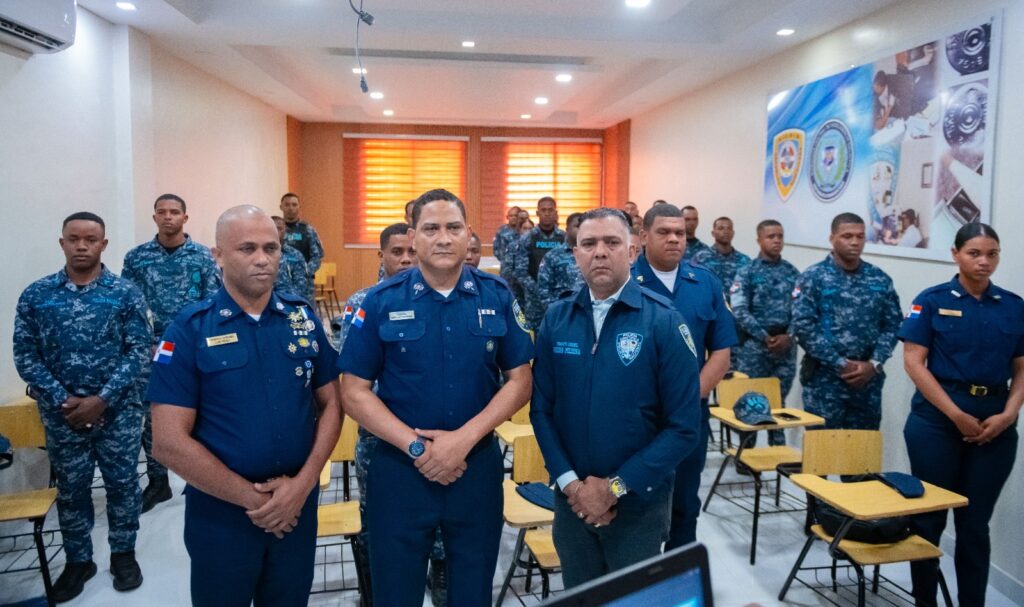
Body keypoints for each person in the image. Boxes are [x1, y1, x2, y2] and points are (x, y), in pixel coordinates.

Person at [338, 189, 533, 606]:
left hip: (474, 467)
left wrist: (462, 440)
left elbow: (520, 381)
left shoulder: (497, 296)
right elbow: (353, 392)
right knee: (395, 593)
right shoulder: (380, 302)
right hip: (399, 470)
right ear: (413, 237)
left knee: (472, 592)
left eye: (453, 228)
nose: (443, 238)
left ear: (468, 235)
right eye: (431, 228)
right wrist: (417, 447)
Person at [148, 206, 342, 607]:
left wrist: (302, 486)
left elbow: (332, 406)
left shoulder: (301, 319)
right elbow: (167, 442)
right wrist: (258, 502)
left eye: (271, 248)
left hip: (296, 504)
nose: (262, 259)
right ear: (218, 255)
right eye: (247, 248)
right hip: (222, 512)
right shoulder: (190, 329)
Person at [531, 208, 701, 587]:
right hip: (571, 501)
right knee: (580, 595)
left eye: (611, 242)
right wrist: (572, 486)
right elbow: (541, 410)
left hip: (638, 504)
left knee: (630, 598)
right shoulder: (556, 319)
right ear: (576, 254)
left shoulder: (664, 321)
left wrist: (614, 488)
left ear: (632, 251)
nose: (600, 252)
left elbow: (684, 428)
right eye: (589, 244)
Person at [14, 212, 151, 601]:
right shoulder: (37, 295)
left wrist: (102, 398)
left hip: (117, 413)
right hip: (63, 416)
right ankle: (79, 560)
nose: (81, 246)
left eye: (90, 239)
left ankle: (123, 554)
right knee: (72, 490)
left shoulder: (125, 293)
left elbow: (139, 350)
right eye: (73, 239)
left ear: (103, 244)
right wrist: (62, 398)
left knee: (122, 485)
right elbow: (25, 355)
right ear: (62, 243)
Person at [899, 223, 1022, 607]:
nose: (984, 261)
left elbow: (1021, 368)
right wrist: (955, 414)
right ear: (955, 254)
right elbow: (914, 362)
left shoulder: (1013, 306)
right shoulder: (931, 301)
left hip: (995, 425)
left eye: (992, 254)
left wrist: (1009, 414)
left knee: (975, 525)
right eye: (974, 253)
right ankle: (925, 601)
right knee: (929, 519)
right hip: (937, 423)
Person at [631, 204, 736, 549]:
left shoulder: (705, 283)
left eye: (679, 233)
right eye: (664, 232)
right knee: (635, 507)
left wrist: (687, 399)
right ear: (644, 236)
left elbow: (721, 353)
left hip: (689, 415)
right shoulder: (624, 281)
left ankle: (678, 578)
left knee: (685, 505)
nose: (674, 239)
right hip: (636, 417)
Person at [121, 193, 221, 513]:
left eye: (174, 212)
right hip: (151, 349)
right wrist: (145, 342)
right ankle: (158, 480)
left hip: (192, 348)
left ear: (185, 218)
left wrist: (197, 343)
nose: (168, 217)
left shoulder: (202, 256)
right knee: (154, 416)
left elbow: (212, 303)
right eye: (161, 212)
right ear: (154, 218)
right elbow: (129, 306)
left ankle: (202, 478)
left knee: (202, 412)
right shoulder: (137, 258)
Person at [792, 213, 902, 429]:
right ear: (832, 238)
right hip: (825, 381)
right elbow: (803, 327)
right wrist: (840, 363)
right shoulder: (813, 277)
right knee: (823, 447)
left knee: (863, 448)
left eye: (860, 236)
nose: (854, 242)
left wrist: (874, 363)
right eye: (847, 236)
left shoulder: (879, 279)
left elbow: (893, 324)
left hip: (867, 383)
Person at [729, 220, 800, 446]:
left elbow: (803, 309)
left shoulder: (792, 272)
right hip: (755, 347)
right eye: (771, 236)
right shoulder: (747, 272)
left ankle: (777, 449)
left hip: (785, 347)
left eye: (780, 236)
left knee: (779, 400)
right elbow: (739, 310)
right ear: (759, 240)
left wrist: (790, 336)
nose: (776, 240)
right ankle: (746, 452)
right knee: (752, 402)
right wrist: (764, 337)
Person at [502, 196, 566, 329]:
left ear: (555, 212)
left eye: (550, 210)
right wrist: (540, 291)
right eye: (543, 210)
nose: (547, 213)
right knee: (534, 337)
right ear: (538, 213)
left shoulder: (564, 238)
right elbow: (520, 272)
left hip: (560, 299)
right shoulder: (528, 239)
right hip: (535, 302)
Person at [535, 212, 584, 312]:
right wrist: (555, 312)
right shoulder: (552, 256)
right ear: (567, 230)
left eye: (584, 227)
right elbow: (543, 290)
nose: (581, 230)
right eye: (577, 226)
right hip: (561, 312)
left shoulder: (593, 255)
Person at [693, 217, 751, 297]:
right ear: (713, 233)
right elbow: (693, 284)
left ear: (733, 233)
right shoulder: (700, 258)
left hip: (735, 304)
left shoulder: (744, 260)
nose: (726, 231)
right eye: (721, 228)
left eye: (729, 228)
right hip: (709, 303)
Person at [271, 215, 314, 302]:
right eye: (273, 228)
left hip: (289, 301)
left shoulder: (295, 255)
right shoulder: (260, 255)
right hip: (265, 303)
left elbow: (301, 284)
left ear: (285, 231)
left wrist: (289, 301)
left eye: (280, 228)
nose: (277, 232)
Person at [279, 192, 324, 276]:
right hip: (281, 278)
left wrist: (305, 272)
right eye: (287, 205)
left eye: (294, 205)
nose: (291, 208)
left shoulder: (308, 230)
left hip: (303, 279)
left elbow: (317, 256)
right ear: (281, 207)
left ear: (299, 207)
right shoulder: (275, 229)